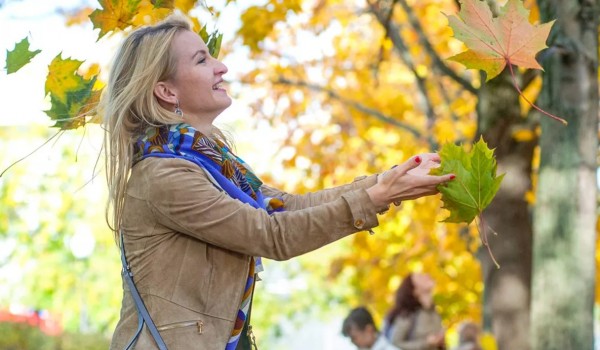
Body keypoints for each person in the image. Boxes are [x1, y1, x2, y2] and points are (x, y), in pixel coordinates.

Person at [100, 13, 455, 350]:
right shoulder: (164, 176)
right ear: (167, 92)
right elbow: (272, 234)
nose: (221, 66)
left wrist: (387, 182)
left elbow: (287, 207)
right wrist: (375, 198)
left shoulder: (215, 163)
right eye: (201, 60)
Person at [384, 273, 445, 350]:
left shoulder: (434, 312)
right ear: (415, 290)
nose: (427, 275)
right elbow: (395, 343)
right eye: (420, 277)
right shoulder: (407, 315)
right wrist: (426, 343)